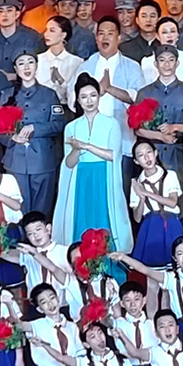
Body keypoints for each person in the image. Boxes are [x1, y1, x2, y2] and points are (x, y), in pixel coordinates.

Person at [57, 73, 133, 248]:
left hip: (103, 176)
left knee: (104, 217)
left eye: (93, 95)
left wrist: (86, 146)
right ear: (78, 100)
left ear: (99, 97)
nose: (89, 100)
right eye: (84, 97)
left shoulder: (111, 124)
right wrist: (77, 149)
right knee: (82, 218)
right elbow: (69, 163)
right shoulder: (71, 127)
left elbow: (113, 155)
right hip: (81, 179)